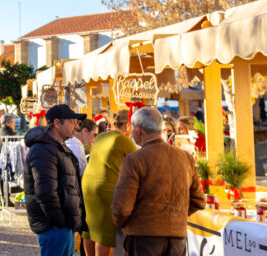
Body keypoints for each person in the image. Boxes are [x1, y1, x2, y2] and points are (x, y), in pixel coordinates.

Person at [110, 107, 204, 255]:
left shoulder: (134, 160)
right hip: (176, 238)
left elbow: (121, 208)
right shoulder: (185, 157)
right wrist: (175, 218)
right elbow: (199, 200)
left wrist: (127, 223)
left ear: (139, 130)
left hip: (143, 237)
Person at [23, 104, 86, 256]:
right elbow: (45, 193)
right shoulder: (44, 149)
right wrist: (61, 222)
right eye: (72, 121)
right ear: (58, 123)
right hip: (55, 228)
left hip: (63, 227)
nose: (76, 126)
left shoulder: (58, 147)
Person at [83, 109, 138, 256]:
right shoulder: (123, 140)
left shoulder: (101, 136)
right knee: (104, 232)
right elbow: (139, 162)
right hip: (105, 187)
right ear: (127, 124)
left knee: (90, 229)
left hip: (88, 184)